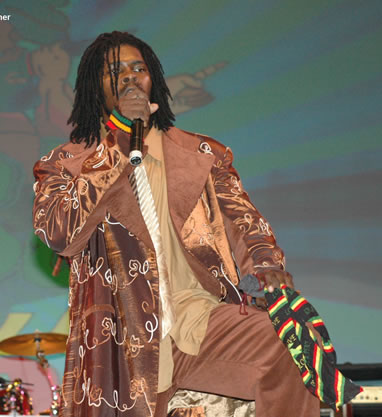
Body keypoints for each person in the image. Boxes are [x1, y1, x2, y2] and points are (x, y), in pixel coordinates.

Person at [32, 31, 320, 417]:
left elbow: (245, 223)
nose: (129, 77)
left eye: (139, 68)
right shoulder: (64, 165)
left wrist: (265, 267)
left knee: (294, 342)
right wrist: (118, 141)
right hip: (121, 340)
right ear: (92, 88)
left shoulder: (202, 154)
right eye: (114, 71)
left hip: (197, 319)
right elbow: (59, 232)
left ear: (154, 80)